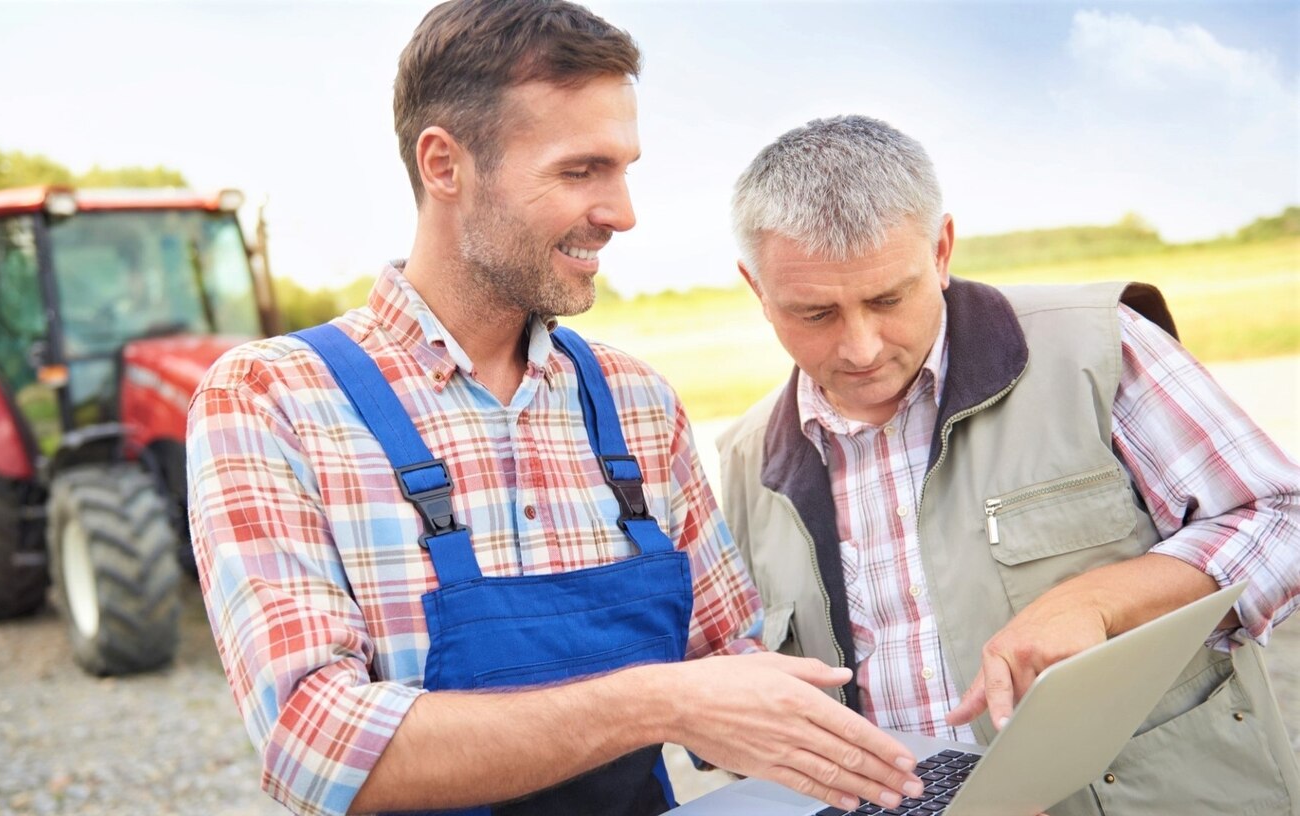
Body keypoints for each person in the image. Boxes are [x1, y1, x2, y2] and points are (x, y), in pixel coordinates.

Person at [185, 5, 925, 815]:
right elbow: (315, 749)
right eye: (581, 172)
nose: (622, 211)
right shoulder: (272, 400)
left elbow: (731, 670)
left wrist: (915, 769)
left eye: (623, 169)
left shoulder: (636, 402)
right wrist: (659, 702)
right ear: (445, 165)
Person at [717, 114, 1300, 815]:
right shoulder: (746, 456)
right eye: (815, 314)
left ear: (941, 250)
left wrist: (1097, 603)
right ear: (757, 289)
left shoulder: (1095, 344)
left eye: (887, 299)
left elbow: (1282, 517)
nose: (862, 347)